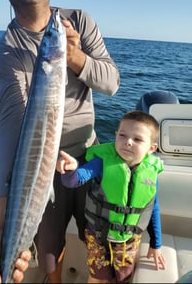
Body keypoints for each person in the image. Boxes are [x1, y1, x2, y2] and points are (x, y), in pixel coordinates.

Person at [0, 0, 120, 283]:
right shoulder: (5, 52)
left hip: (88, 156)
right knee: (48, 255)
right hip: (41, 169)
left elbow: (112, 83)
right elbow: (10, 127)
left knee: (99, 245)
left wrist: (75, 58)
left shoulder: (78, 21)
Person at [56, 110, 166, 283]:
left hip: (129, 240)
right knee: (97, 277)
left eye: (137, 139)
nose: (128, 142)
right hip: (97, 236)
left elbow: (153, 208)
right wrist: (70, 170)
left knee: (124, 277)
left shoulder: (151, 172)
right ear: (116, 135)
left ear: (151, 148)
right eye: (122, 135)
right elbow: (75, 180)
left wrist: (156, 244)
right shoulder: (102, 162)